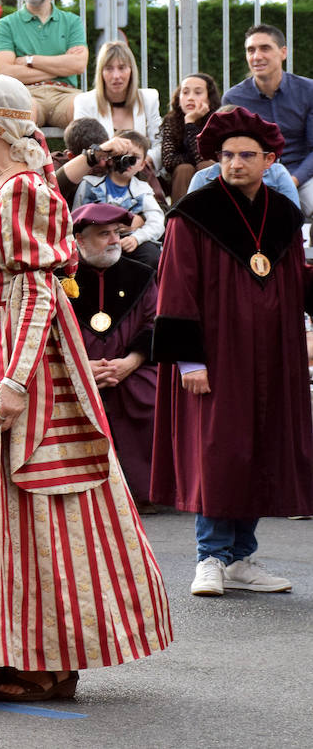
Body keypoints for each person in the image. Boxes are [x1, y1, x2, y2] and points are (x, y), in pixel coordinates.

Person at [0, 75, 170, 702]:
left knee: (27, 503)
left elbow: (37, 292)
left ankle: (43, 659)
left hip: (8, 360)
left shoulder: (22, 193)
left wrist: (13, 381)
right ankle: (3, 649)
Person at [151, 106, 313, 597]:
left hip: (273, 356)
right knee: (219, 450)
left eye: (247, 155)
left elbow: (296, 281)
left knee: (259, 446)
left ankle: (242, 558)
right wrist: (190, 360)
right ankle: (210, 557)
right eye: (227, 155)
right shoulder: (194, 216)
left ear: (269, 161)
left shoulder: (283, 215)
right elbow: (175, 289)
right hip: (217, 357)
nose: (236, 163)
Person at [64, 204, 158, 504]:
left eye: (118, 233)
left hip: (129, 369)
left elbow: (155, 323)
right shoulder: (56, 277)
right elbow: (42, 330)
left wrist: (130, 362)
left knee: (152, 391)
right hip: (69, 370)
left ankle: (143, 491)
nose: (115, 240)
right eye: (104, 234)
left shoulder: (140, 275)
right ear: (78, 239)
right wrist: (79, 367)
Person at [220, 24, 313, 216]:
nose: (256, 56)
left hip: (301, 175)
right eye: (250, 50)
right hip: (253, 176)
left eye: (265, 48)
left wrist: (292, 180)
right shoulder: (233, 99)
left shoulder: (309, 91)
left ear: (283, 52)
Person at [0, 0, 87, 129]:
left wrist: (30, 61)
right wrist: (61, 67)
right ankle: (25, 157)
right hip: (27, 94)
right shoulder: (6, 25)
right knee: (21, 113)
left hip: (66, 94)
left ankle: (88, 157)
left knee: (86, 110)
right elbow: (5, 71)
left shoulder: (72, 22)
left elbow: (79, 64)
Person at [66, 129, 164, 270]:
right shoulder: (90, 184)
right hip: (96, 241)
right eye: (122, 155)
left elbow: (157, 222)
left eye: (134, 158)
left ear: (142, 165)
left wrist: (137, 238)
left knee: (151, 256)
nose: (127, 161)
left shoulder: (142, 190)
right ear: (110, 157)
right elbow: (76, 218)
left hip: (129, 241)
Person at [70, 41, 163, 167]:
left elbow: (160, 145)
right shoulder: (84, 102)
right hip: (98, 178)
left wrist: (142, 160)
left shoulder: (149, 98)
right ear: (101, 73)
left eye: (122, 67)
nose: (116, 76)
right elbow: (82, 151)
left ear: (131, 70)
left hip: (141, 176)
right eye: (109, 68)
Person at [160, 72, 219, 199]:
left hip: (213, 174)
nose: (190, 98)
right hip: (179, 179)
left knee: (206, 166)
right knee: (184, 169)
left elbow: (203, 159)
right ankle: (179, 217)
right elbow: (168, 161)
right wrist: (189, 121)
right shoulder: (172, 120)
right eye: (185, 92)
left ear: (209, 98)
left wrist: (191, 123)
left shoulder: (217, 120)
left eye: (198, 93)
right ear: (178, 97)